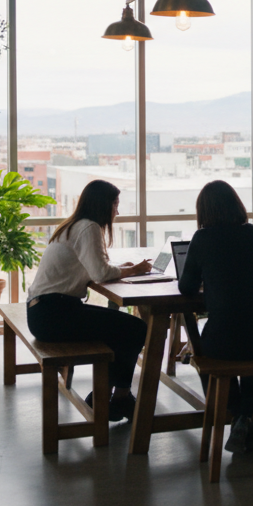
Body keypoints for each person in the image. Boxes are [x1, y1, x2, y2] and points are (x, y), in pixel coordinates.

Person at [178, 180, 253, 454]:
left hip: (224, 339)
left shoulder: (202, 238)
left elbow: (186, 287)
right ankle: (245, 417)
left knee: (209, 353)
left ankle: (236, 416)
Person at [25, 180, 151, 422]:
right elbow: (101, 274)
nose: (117, 211)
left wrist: (121, 269)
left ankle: (111, 395)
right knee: (136, 329)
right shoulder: (89, 228)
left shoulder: (73, 226)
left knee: (122, 329)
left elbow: (95, 267)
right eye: (115, 204)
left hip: (43, 311)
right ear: (104, 204)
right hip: (54, 315)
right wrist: (133, 271)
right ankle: (116, 396)